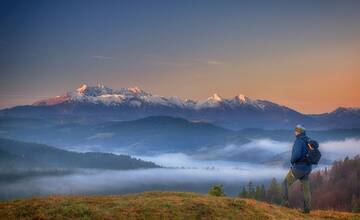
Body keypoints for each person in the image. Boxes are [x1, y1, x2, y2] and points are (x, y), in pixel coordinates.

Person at [282, 124, 312, 213]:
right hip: (307, 168)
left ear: (299, 132)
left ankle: (285, 205)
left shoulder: (299, 141)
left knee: (285, 184)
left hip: (299, 168)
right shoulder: (308, 140)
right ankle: (307, 210)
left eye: (296, 130)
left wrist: (292, 160)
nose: (294, 132)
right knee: (306, 189)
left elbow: (296, 155)